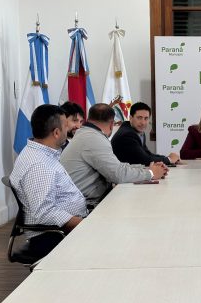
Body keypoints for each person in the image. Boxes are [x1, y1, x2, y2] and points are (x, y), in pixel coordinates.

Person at [10, 104, 87, 256]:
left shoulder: (42, 153)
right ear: (57, 132)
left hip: (63, 228)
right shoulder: (39, 165)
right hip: (53, 235)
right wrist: (84, 224)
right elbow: (44, 212)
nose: (68, 129)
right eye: (65, 126)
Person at [60, 103, 168, 206]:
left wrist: (146, 169)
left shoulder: (87, 134)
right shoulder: (93, 138)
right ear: (112, 124)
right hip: (87, 206)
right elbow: (118, 175)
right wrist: (151, 173)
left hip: (87, 200)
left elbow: (117, 166)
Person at [111, 102, 180, 166]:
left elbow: (147, 154)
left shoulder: (138, 132)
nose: (143, 122)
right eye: (139, 118)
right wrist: (169, 159)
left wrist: (167, 158)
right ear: (131, 118)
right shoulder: (127, 135)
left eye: (146, 118)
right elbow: (144, 160)